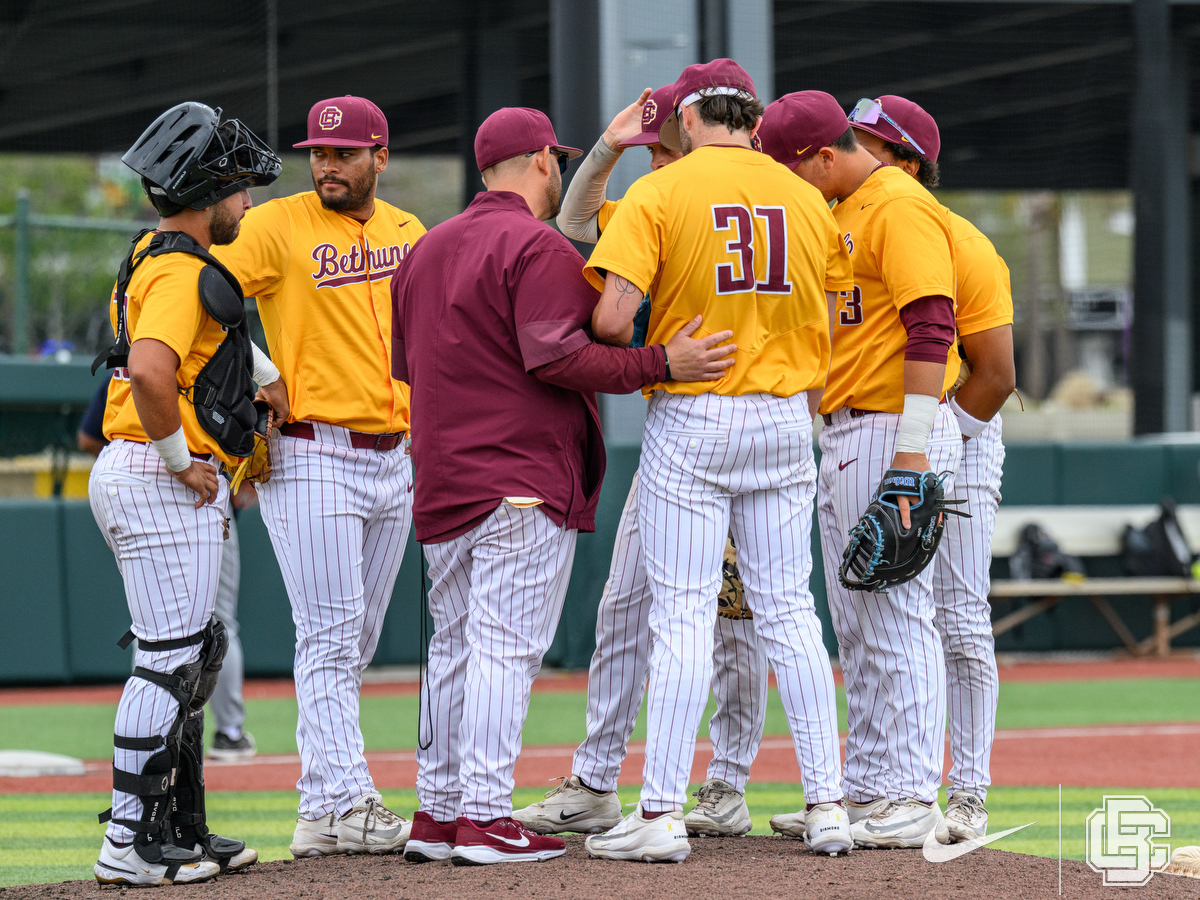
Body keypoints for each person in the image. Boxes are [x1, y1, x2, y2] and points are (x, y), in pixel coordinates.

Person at [391, 106, 737, 867]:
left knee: (453, 647)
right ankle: (484, 815)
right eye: (557, 160)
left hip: (443, 478)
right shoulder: (535, 245)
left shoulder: (424, 249)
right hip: (518, 479)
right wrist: (659, 365)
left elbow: (406, 367)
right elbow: (558, 358)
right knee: (503, 652)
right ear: (543, 161)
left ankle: (439, 812)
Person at [580, 59, 854, 863]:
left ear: (689, 119)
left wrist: (661, 347)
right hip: (783, 415)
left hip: (696, 409)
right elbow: (830, 327)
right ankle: (829, 805)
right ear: (755, 120)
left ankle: (661, 813)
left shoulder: (664, 192)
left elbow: (609, 319)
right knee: (791, 613)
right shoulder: (807, 197)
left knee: (684, 616)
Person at [511, 83, 769, 840]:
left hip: (745, 422)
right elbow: (575, 219)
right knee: (626, 604)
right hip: (679, 427)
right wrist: (609, 147)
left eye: (663, 145)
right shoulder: (663, 198)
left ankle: (725, 782)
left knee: (738, 620)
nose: (654, 159)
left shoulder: (748, 193)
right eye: (651, 148)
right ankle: (595, 780)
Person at [212, 95, 425, 857]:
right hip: (310, 450)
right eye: (318, 153)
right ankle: (349, 798)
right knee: (331, 637)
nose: (327, 165)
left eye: (344, 153)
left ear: (380, 156)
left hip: (395, 454)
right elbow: (198, 290)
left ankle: (318, 809)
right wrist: (261, 368)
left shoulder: (410, 232)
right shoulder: (276, 224)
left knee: (354, 641)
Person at [758, 90, 962, 849]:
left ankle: (912, 792)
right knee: (860, 623)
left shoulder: (896, 204)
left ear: (822, 155)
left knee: (898, 617)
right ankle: (872, 784)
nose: (789, 184)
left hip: (891, 427)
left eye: (791, 168)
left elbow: (933, 323)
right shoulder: (840, 210)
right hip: (846, 429)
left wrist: (911, 451)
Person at [88, 101, 284, 885]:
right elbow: (148, 372)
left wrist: (269, 384)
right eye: (238, 188)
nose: (246, 201)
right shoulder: (177, 269)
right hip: (154, 471)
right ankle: (128, 845)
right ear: (208, 189)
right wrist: (180, 461)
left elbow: (213, 347)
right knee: (169, 663)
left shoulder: (156, 255)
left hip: (143, 472)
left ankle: (180, 829)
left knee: (191, 659)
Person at [846, 95, 1014, 843]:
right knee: (878, 614)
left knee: (960, 617)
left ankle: (969, 794)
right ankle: (874, 787)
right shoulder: (854, 224)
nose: (853, 151)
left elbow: (998, 371)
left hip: (963, 432)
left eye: (867, 143)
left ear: (908, 161)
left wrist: (941, 445)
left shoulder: (961, 239)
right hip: (915, 426)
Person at [80, 375, 257, 761]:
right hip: (192, 494)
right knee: (210, 627)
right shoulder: (178, 359)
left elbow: (90, 438)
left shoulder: (137, 353)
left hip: (141, 487)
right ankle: (224, 732)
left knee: (156, 632)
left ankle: (157, 735)